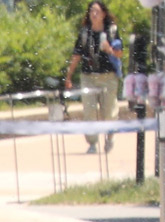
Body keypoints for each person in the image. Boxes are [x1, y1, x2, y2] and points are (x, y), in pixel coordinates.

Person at [66, 2, 123, 153]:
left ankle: (110, 137)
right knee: (89, 111)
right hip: (88, 77)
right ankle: (92, 143)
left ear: (104, 14)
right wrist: (69, 76)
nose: (94, 14)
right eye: (92, 11)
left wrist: (109, 49)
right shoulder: (85, 33)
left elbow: (120, 53)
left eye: (97, 11)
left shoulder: (112, 31)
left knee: (108, 112)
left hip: (108, 76)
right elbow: (76, 55)